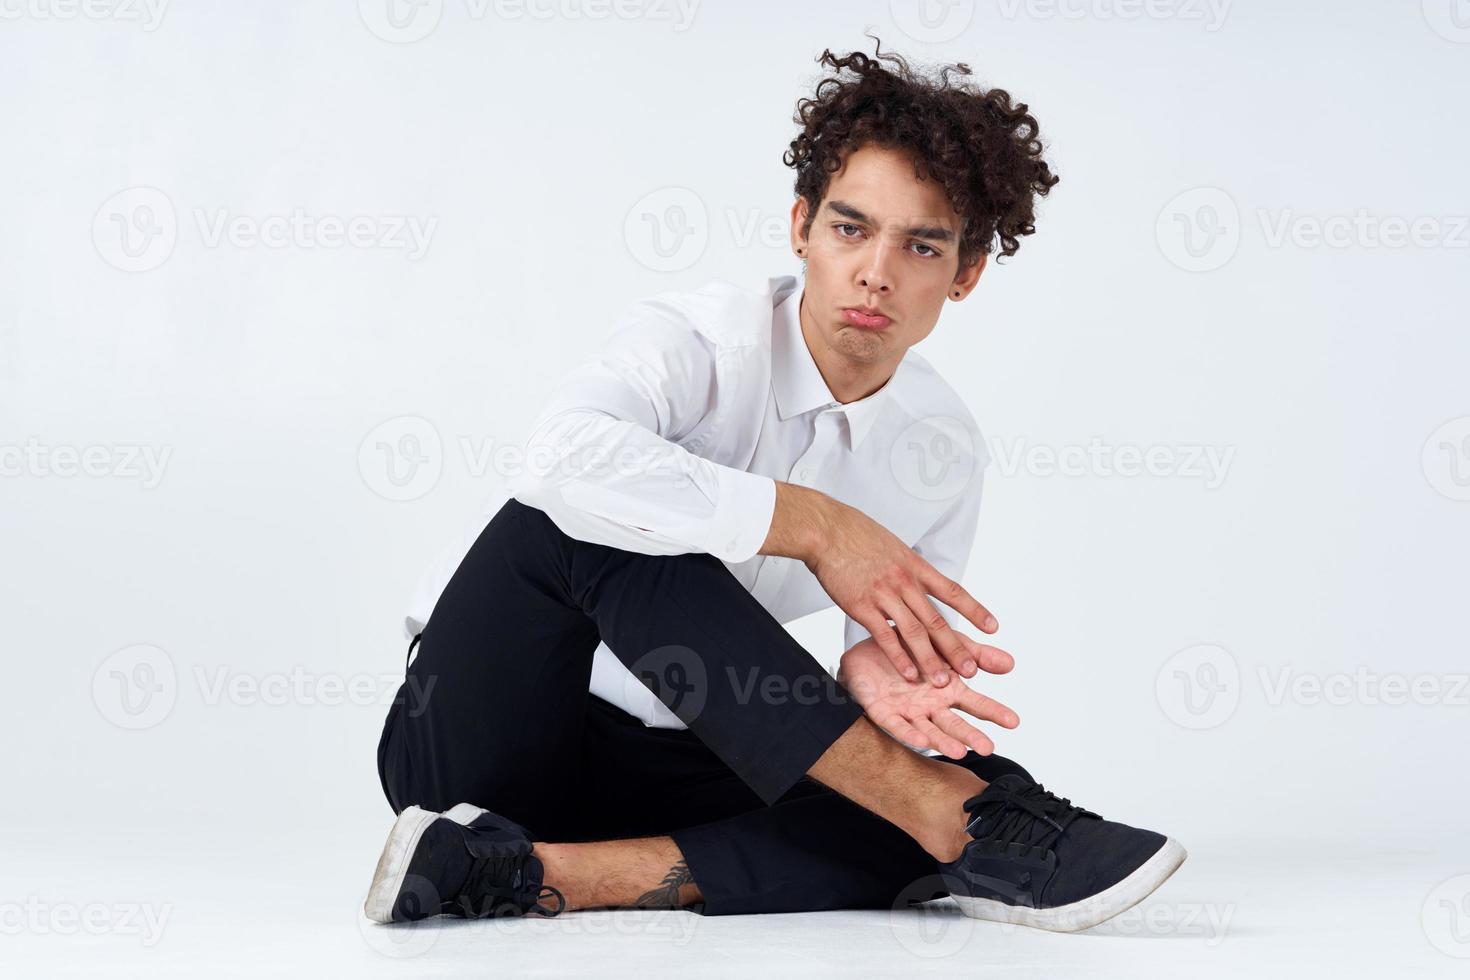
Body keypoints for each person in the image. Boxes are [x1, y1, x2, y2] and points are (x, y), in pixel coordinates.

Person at [365, 37, 1184, 933]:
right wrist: (815, 525)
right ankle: (940, 818)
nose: (877, 270)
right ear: (801, 228)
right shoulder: (696, 345)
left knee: (981, 788)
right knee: (596, 519)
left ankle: (526, 873)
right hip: (484, 739)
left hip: (671, 767)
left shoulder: (939, 448)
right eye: (850, 228)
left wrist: (869, 676)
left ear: (966, 275)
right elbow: (557, 457)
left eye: (921, 245)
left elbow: (892, 664)